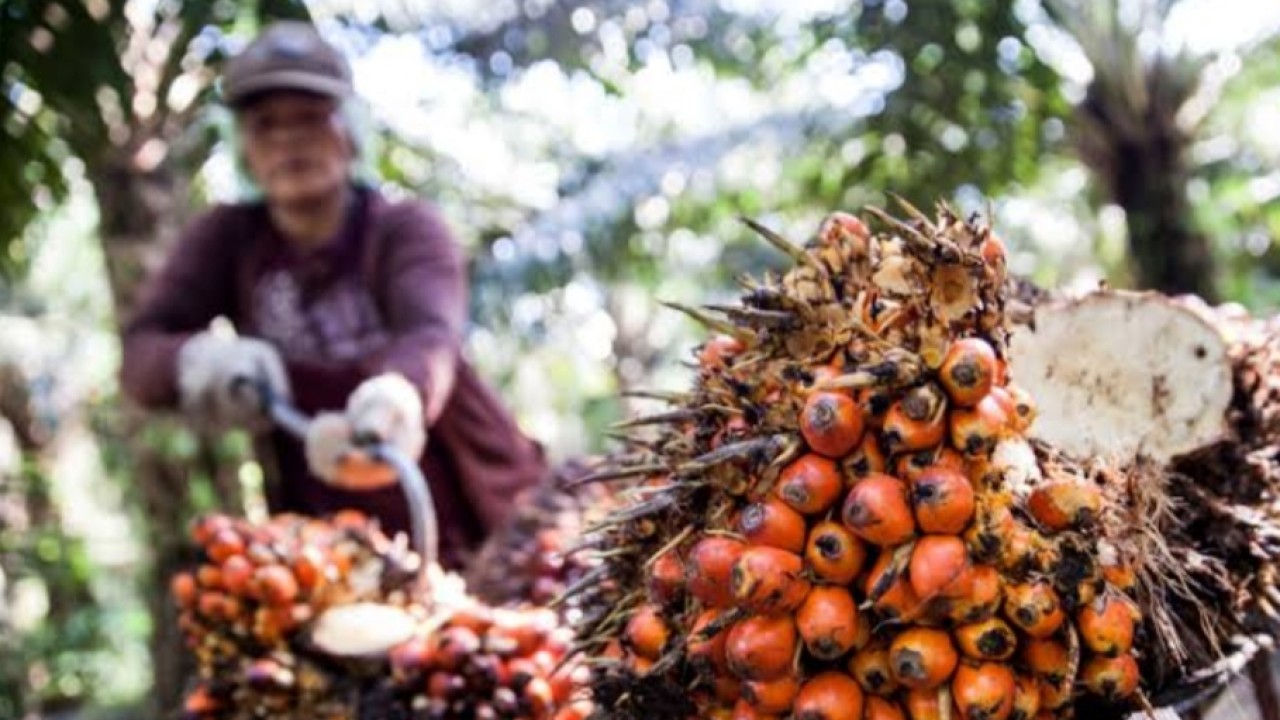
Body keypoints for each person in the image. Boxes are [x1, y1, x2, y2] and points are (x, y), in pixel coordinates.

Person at [119, 21, 547, 568]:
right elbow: (141, 351)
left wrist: (397, 394)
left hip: (475, 516)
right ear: (244, 148)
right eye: (266, 125)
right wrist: (198, 361)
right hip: (333, 540)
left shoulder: (405, 229)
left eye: (309, 118)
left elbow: (430, 333)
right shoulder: (229, 239)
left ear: (349, 131)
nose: (288, 140)